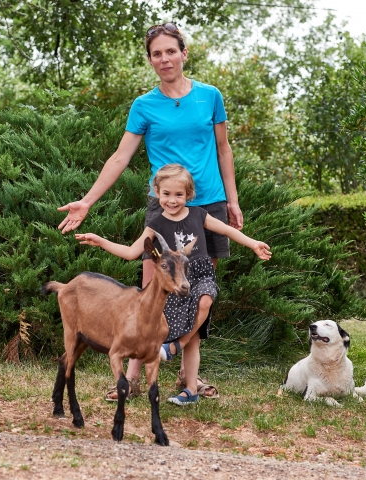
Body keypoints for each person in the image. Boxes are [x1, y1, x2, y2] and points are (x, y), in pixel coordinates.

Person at [57, 22, 243, 400]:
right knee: (149, 288)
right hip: (163, 209)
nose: (164, 59)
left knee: (194, 292)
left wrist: (232, 200)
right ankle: (131, 377)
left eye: (170, 51)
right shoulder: (144, 105)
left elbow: (224, 150)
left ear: (183, 53)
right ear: (150, 59)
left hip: (207, 204)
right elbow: (121, 157)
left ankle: (188, 379)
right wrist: (87, 200)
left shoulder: (210, 96)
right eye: (156, 53)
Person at [75, 164, 271, 404]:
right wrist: (100, 241)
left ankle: (178, 350)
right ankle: (186, 390)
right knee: (181, 335)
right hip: (172, 286)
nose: (172, 200)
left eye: (179, 194)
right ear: (157, 193)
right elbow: (131, 252)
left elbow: (227, 230)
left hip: (198, 275)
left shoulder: (199, 214)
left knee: (206, 298)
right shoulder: (156, 225)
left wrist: (253, 243)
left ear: (188, 195)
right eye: (166, 194)